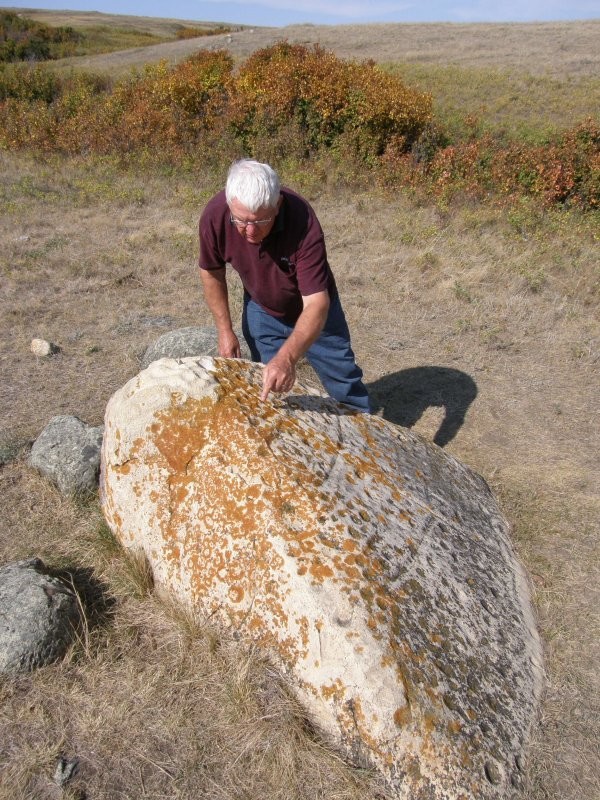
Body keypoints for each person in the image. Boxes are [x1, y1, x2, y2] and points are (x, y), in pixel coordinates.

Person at [198, 159, 370, 412]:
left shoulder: (301, 219)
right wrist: (225, 330)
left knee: (343, 378)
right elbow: (211, 272)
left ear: (277, 205)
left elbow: (316, 303)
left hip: (314, 310)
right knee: (270, 385)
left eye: (259, 222)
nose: (249, 232)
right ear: (229, 204)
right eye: (241, 221)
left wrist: (288, 358)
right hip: (262, 306)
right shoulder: (215, 216)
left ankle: (365, 433)